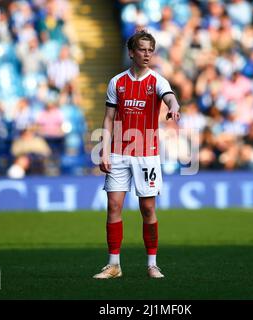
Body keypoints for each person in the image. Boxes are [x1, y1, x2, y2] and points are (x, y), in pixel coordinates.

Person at [93, 30, 181, 279]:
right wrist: (104, 151)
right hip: (120, 152)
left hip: (147, 154)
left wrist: (174, 107)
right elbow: (109, 118)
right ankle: (113, 265)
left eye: (150, 50)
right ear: (131, 52)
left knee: (148, 208)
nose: (146, 54)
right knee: (113, 205)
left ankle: (152, 264)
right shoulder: (117, 82)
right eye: (142, 49)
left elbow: (171, 98)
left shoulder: (157, 81)